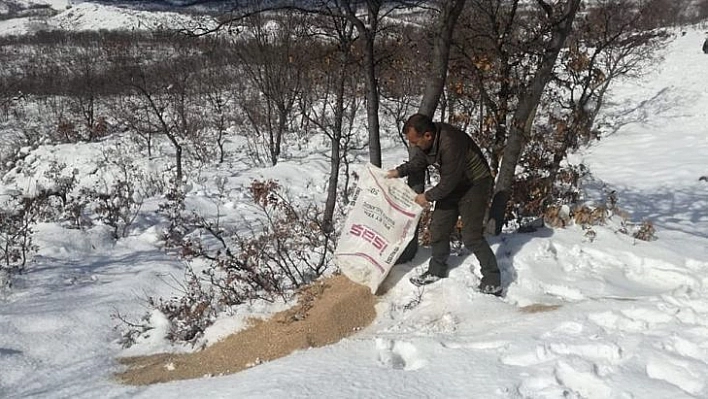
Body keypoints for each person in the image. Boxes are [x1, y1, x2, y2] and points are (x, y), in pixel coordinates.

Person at [386, 113, 502, 296]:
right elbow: (420, 161)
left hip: (475, 184)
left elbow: (448, 183)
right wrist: (398, 172)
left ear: (427, 136)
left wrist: (427, 197)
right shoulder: (430, 140)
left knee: (471, 237)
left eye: (415, 142)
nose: (414, 145)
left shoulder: (450, 143)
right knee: (438, 227)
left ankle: (492, 279)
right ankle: (436, 269)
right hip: (454, 184)